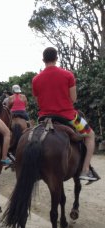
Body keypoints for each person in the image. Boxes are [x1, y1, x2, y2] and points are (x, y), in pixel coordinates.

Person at [32, 47, 98, 181]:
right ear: (56, 58)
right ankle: (85, 170)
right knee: (91, 135)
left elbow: (37, 101)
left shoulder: (35, 79)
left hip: (44, 117)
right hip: (68, 116)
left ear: (43, 60)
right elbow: (73, 99)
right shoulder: (68, 75)